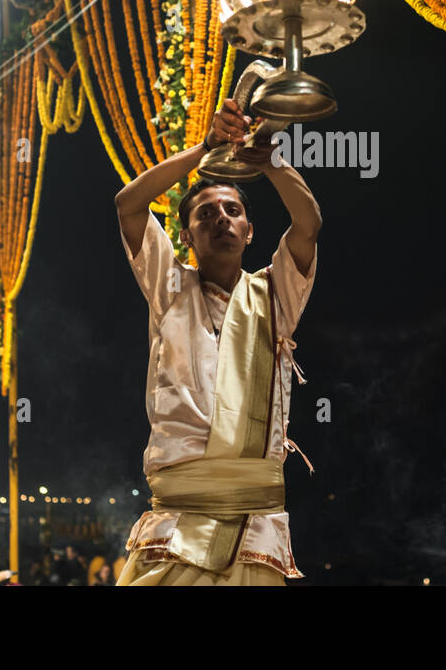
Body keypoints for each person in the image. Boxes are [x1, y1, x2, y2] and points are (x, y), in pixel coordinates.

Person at [114, 97, 320, 586]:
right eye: (205, 215)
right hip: (177, 515)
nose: (221, 219)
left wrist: (267, 158)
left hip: (255, 521)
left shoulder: (275, 294)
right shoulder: (169, 286)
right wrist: (205, 148)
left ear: (250, 233)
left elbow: (308, 223)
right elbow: (128, 204)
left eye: (232, 211)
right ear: (185, 236)